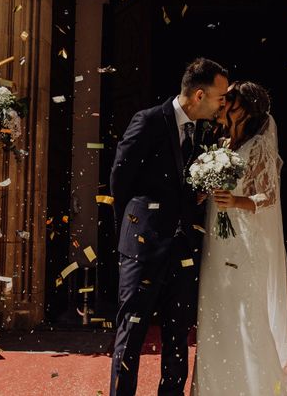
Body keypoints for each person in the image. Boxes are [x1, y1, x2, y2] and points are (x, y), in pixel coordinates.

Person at [109, 58, 229, 396]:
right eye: (220, 97)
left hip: (184, 247)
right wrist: (131, 231)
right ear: (199, 95)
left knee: (178, 335)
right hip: (143, 244)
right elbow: (120, 177)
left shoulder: (204, 131)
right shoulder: (148, 121)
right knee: (131, 331)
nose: (223, 105)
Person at [191, 81, 287, 396]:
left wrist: (235, 202)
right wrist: (203, 194)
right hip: (217, 240)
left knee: (245, 316)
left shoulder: (257, 145)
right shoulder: (221, 143)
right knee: (215, 314)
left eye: (232, 99)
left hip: (245, 243)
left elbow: (269, 196)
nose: (224, 103)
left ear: (246, 107)